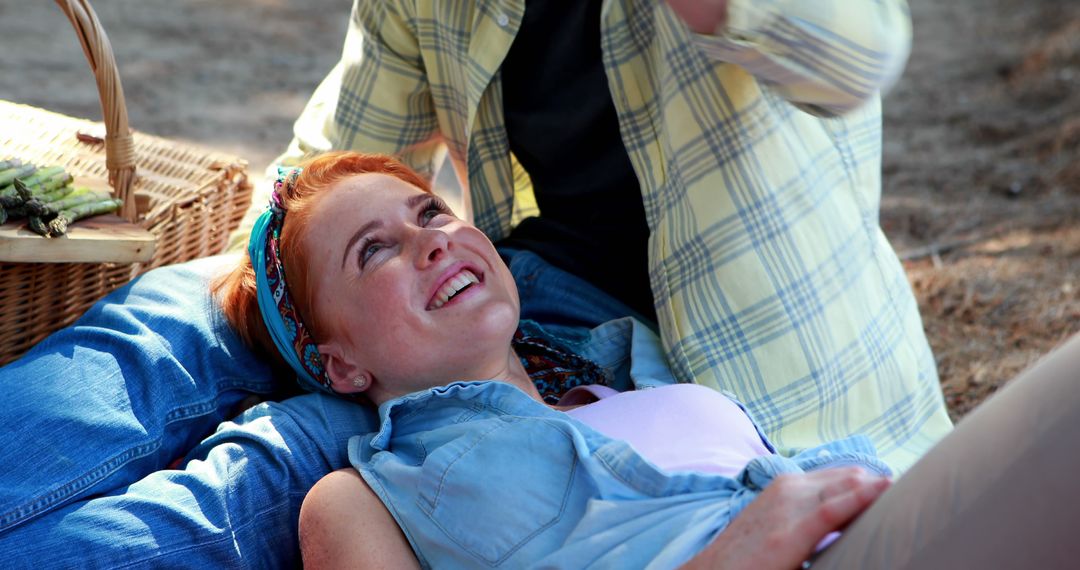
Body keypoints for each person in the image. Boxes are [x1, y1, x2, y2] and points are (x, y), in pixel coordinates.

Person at [0, 0, 948, 565]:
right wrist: (284, 262)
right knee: (165, 316)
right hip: (508, 287)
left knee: (282, 461)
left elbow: (857, 52)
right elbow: (340, 155)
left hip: (689, 348)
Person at [226, 151, 1078, 569]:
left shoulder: (630, 371)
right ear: (336, 367)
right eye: (374, 250)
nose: (432, 243)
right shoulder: (361, 497)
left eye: (432, 211)